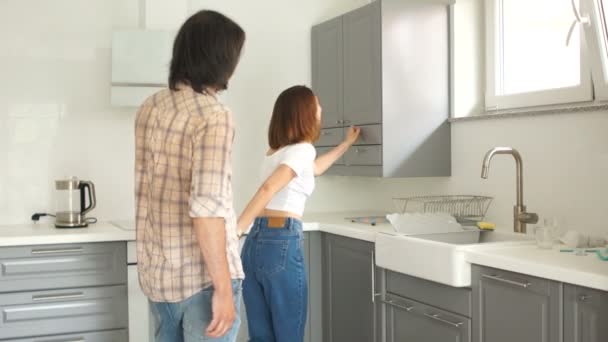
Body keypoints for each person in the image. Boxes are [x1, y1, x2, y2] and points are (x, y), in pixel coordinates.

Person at [134, 10, 245, 342]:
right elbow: (206, 209)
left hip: (159, 279)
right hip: (201, 279)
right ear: (220, 58)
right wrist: (224, 290)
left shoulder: (150, 107)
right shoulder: (214, 116)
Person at [237, 85, 360, 342]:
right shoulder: (302, 149)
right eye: (316, 105)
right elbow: (269, 188)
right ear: (304, 113)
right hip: (281, 240)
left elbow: (314, 169)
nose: (321, 109)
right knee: (289, 334)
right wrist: (236, 227)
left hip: (255, 242)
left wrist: (346, 144)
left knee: (261, 336)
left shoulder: (275, 151)